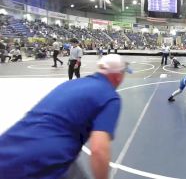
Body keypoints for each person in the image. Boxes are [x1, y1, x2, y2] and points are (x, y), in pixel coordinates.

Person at [0, 54, 132, 179]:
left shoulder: (70, 84)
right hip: (45, 161)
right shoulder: (109, 97)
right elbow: (98, 150)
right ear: (118, 76)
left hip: (8, 149)